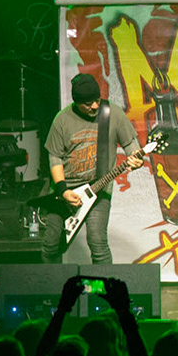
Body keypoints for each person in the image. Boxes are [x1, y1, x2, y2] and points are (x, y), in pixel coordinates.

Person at [41, 73, 145, 264]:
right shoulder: (62, 119)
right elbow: (54, 157)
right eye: (88, 104)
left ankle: (104, 291)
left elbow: (132, 146)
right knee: (51, 244)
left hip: (99, 190)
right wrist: (63, 190)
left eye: (97, 100)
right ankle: (53, 290)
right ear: (76, 102)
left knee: (97, 243)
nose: (95, 106)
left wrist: (137, 159)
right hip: (64, 191)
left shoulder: (112, 114)